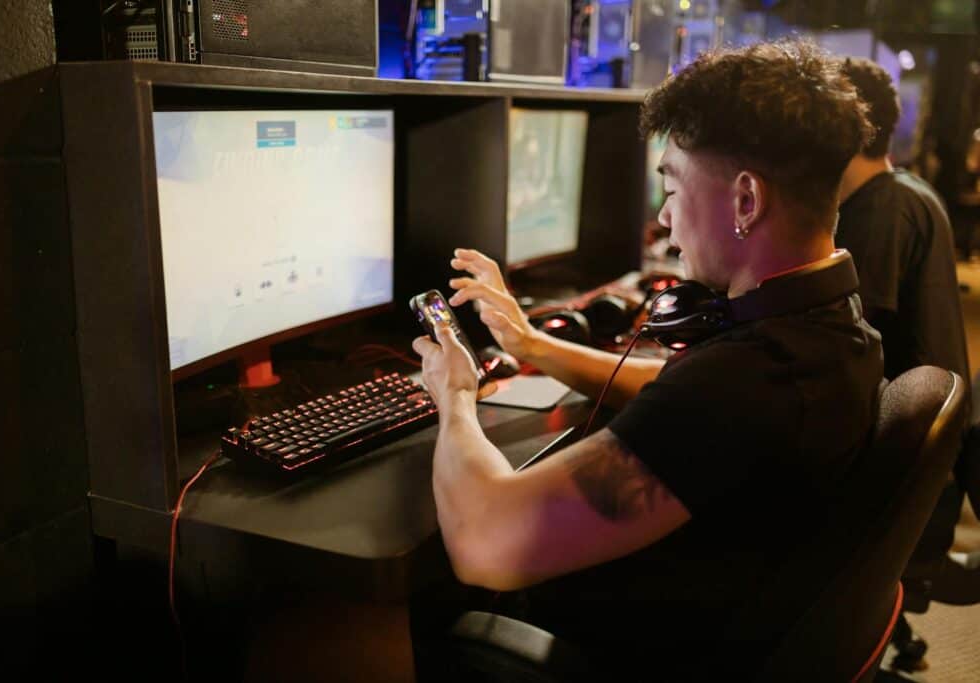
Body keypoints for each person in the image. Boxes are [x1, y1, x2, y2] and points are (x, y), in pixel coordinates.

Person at [412, 40, 882, 678]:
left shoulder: (744, 383)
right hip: (712, 619)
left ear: (746, 201)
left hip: (618, 651)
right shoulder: (828, 330)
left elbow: (484, 543)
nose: (664, 218)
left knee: (384, 598)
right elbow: (673, 389)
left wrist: (455, 395)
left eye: (673, 186)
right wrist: (530, 342)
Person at [836, 56, 973, 665]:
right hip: (927, 468)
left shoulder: (878, 214)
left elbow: (853, 351)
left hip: (892, 474)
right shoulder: (908, 190)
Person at [836, 57, 970, 387]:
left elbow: (845, 341)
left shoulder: (881, 210)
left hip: (902, 428)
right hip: (930, 418)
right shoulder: (907, 191)